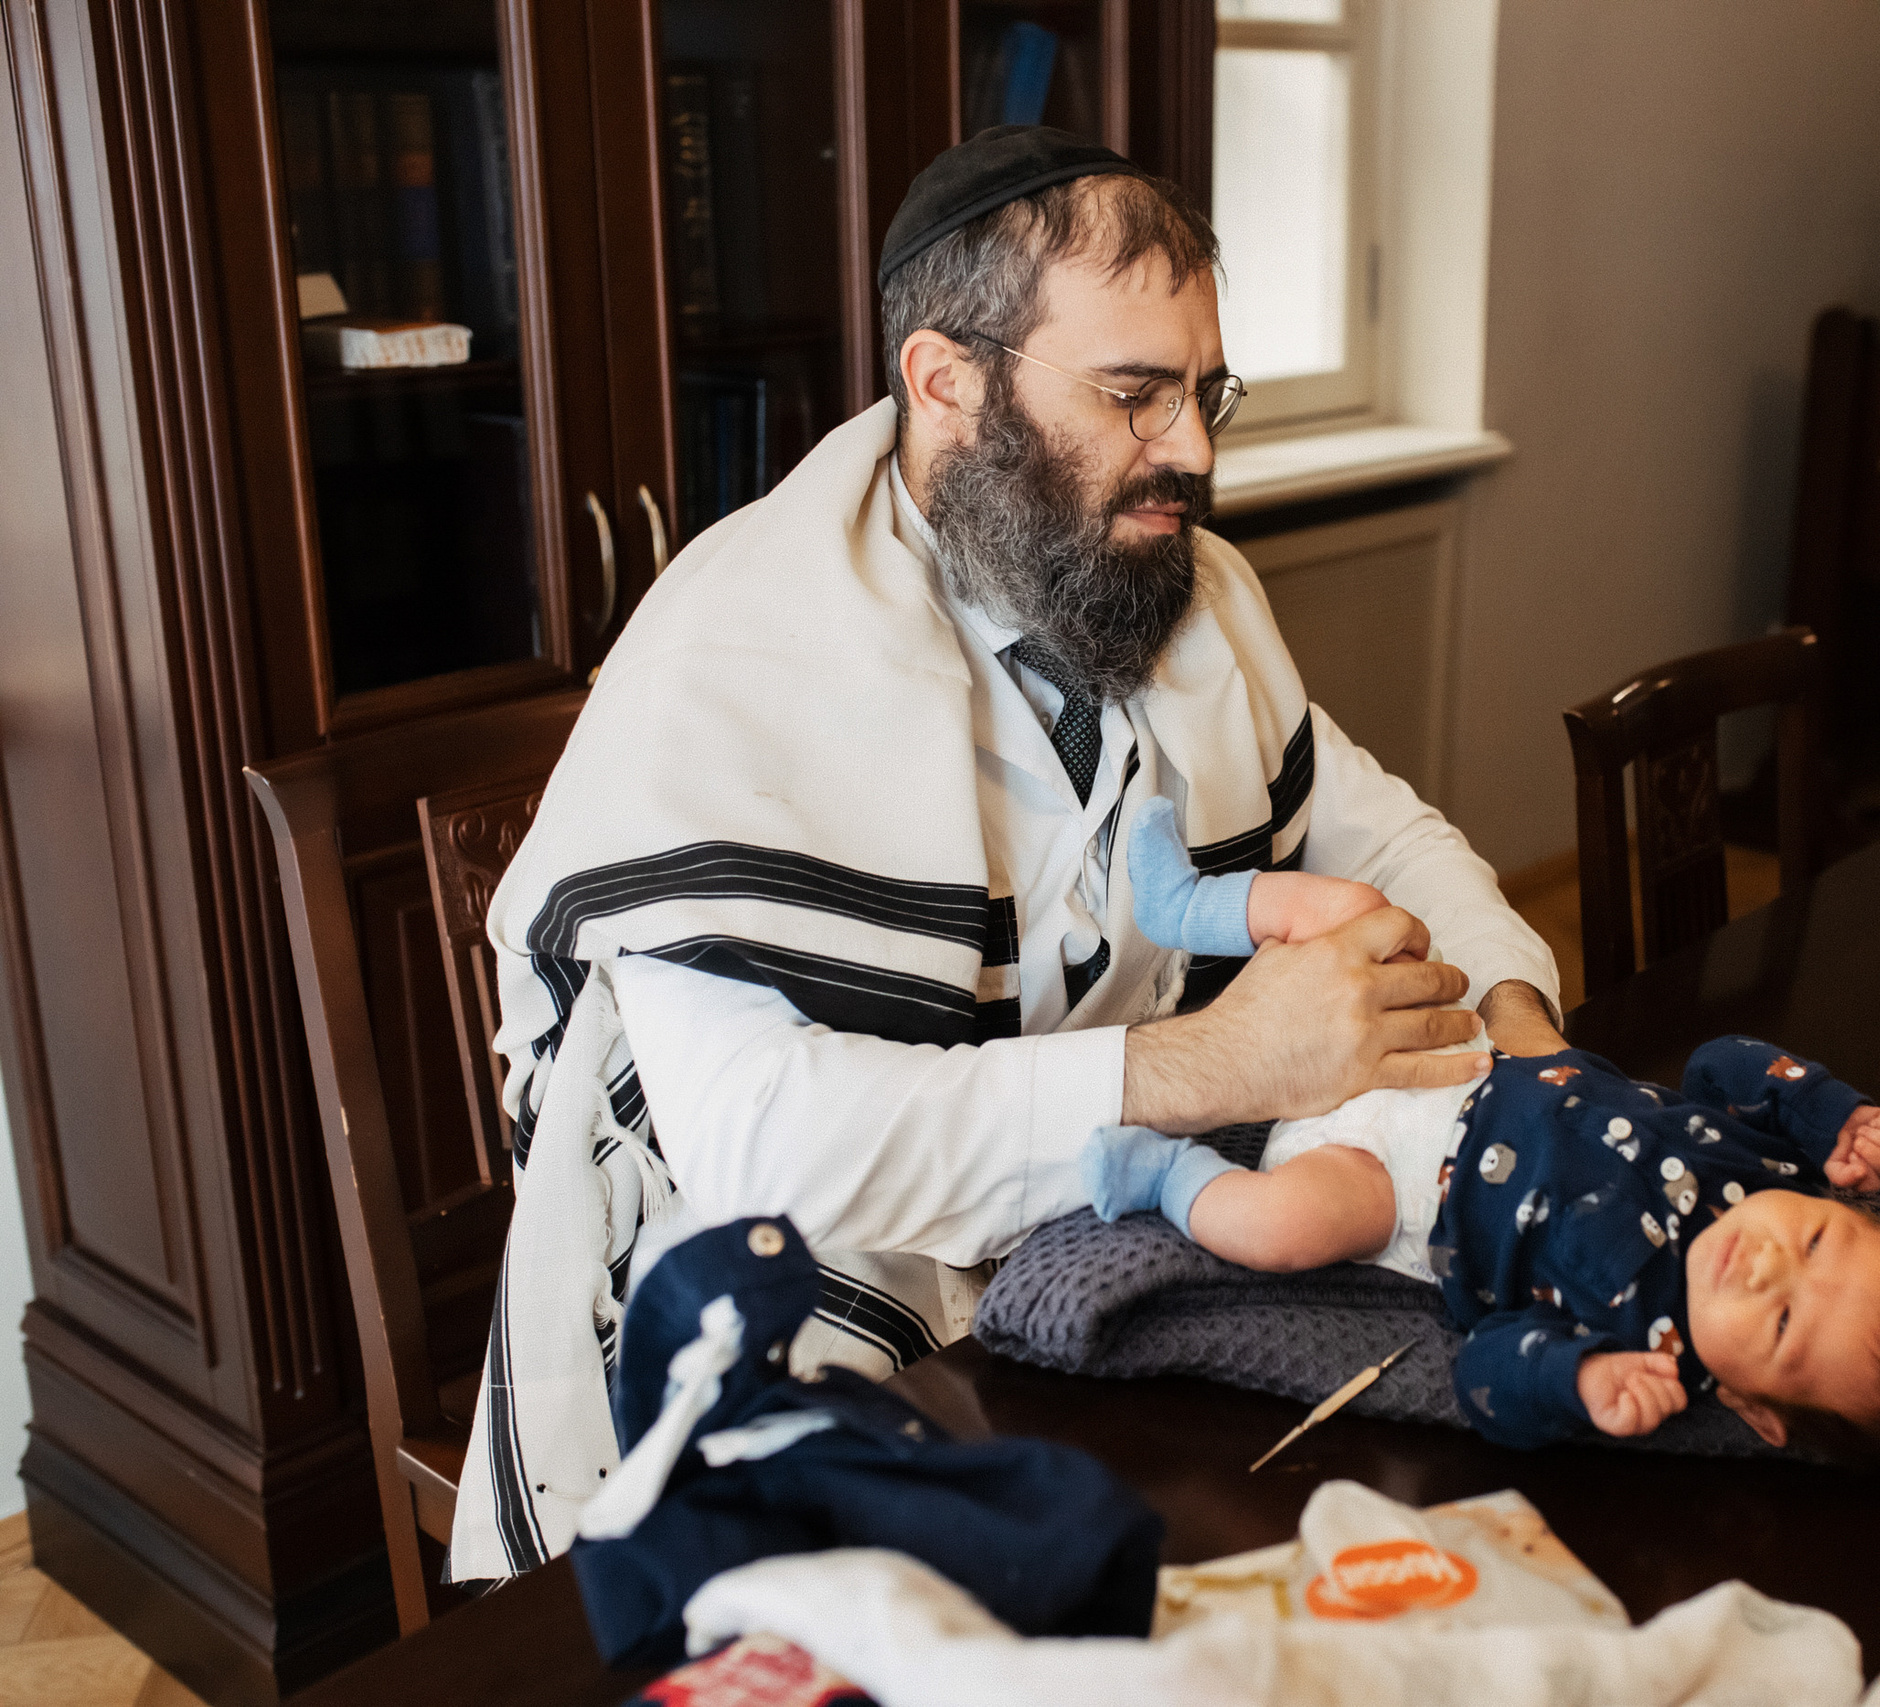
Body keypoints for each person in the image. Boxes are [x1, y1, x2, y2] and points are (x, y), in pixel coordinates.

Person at [446, 127, 1561, 1578]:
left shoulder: (1182, 585)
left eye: (1205, 389)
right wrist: (1220, 1064)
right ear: (946, 381)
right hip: (793, 1294)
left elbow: (1381, 827)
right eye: (1133, 393)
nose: (1198, 451)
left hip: (1101, 1240)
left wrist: (1524, 1024)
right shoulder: (730, 648)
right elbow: (768, 1143)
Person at [1086, 814, 1880, 1464]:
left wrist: (1574, 1382)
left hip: (1398, 1183)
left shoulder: (1643, 1346)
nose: (1768, 1261)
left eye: (1786, 1321)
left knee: (1283, 1226)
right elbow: (1722, 1061)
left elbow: (1483, 1371)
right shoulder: (1767, 1172)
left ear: (1761, 1410)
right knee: (1366, 910)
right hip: (1457, 1057)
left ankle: (1162, 1173)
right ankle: (1190, 908)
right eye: (1818, 1237)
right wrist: (1823, 1110)